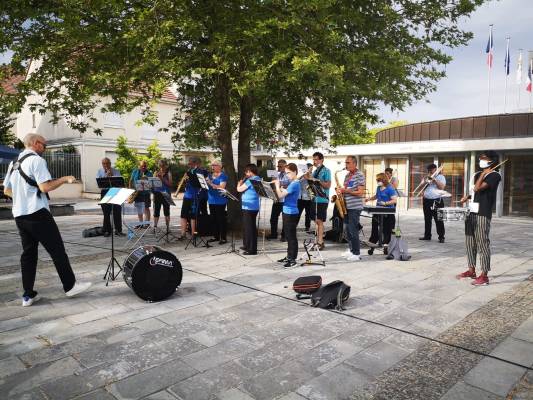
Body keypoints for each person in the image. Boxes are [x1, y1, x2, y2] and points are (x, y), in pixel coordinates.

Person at [3, 133, 91, 306]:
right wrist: (65, 179)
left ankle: (27, 295)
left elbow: (6, 190)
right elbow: (45, 187)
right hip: (37, 213)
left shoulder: (14, 163)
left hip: (20, 215)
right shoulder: (36, 161)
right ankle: (70, 286)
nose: (45, 148)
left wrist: (22, 199)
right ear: (36, 143)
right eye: (44, 145)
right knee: (57, 250)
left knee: (28, 254)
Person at [457, 151, 501, 286]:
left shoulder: (495, 175)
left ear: (491, 161)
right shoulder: (476, 174)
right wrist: (467, 197)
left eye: (484, 158)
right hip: (471, 211)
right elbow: (473, 192)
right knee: (470, 242)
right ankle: (471, 270)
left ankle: (484, 275)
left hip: (483, 212)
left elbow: (478, 188)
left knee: (482, 243)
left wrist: (483, 174)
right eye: (480, 158)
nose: (480, 160)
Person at [337, 156, 365, 261]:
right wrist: (340, 191)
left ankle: (357, 253)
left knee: (353, 230)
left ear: (354, 163)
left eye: (348, 163)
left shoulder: (359, 175)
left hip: (354, 207)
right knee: (347, 230)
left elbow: (360, 192)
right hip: (346, 206)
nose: (346, 164)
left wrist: (346, 191)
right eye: (345, 162)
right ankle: (351, 250)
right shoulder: (347, 175)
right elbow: (346, 189)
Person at [274, 163, 300, 268]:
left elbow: (280, 196)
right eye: (286, 173)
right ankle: (289, 256)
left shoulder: (295, 183)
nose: (287, 175)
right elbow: (284, 193)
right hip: (287, 211)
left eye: (289, 173)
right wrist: (280, 187)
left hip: (291, 212)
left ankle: (292, 259)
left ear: (295, 172)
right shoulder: (292, 183)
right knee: (288, 236)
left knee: (291, 236)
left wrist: (276, 185)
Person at [365, 173, 397, 254]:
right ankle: (373, 244)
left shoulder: (390, 189)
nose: (377, 182)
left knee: (386, 231)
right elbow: (377, 196)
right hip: (377, 210)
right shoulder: (378, 188)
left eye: (379, 180)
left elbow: (394, 200)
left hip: (387, 212)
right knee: (375, 228)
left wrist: (385, 203)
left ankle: (385, 247)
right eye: (377, 180)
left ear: (384, 180)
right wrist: (369, 199)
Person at [179, 156, 208, 239]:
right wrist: (184, 181)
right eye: (189, 164)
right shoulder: (188, 171)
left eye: (191, 164)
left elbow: (202, 185)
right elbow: (187, 184)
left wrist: (192, 176)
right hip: (187, 195)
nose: (189, 165)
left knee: (193, 216)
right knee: (183, 215)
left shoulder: (202, 171)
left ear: (196, 163)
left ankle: (193, 234)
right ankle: (183, 234)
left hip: (195, 196)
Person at [96, 158, 124, 237]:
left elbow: (119, 182)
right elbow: (99, 184)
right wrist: (106, 175)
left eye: (107, 163)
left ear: (110, 163)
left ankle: (118, 230)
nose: (106, 165)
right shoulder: (99, 171)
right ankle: (107, 230)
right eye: (104, 164)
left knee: (117, 211)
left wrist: (111, 175)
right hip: (105, 192)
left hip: (115, 192)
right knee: (106, 212)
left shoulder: (116, 171)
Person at [309, 152, 331, 250]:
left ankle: (321, 241)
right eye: (313, 159)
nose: (315, 161)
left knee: (319, 220)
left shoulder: (326, 170)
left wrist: (318, 181)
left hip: (322, 199)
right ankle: (317, 240)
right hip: (315, 198)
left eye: (316, 159)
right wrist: (309, 172)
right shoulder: (315, 171)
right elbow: (309, 181)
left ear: (322, 160)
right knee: (316, 221)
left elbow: (328, 185)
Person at [237, 163, 261, 255]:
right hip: (253, 206)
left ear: (250, 172)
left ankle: (252, 249)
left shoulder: (250, 180)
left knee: (250, 228)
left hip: (249, 207)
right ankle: (247, 245)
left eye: (247, 172)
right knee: (248, 227)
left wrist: (239, 184)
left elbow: (239, 190)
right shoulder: (258, 178)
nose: (245, 173)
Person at [419, 163, 446, 243]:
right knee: (427, 219)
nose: (430, 171)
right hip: (427, 200)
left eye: (431, 170)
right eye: (429, 170)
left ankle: (441, 237)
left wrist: (434, 180)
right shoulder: (426, 177)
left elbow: (442, 187)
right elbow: (420, 187)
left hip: (437, 200)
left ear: (435, 169)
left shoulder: (441, 177)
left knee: (438, 219)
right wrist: (425, 182)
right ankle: (427, 235)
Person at [267, 159, 289, 241]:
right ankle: (273, 234)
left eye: (280, 166)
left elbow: (287, 186)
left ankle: (284, 235)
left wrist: (278, 184)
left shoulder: (288, 175)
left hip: (284, 199)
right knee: (273, 218)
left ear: (285, 166)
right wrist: (273, 179)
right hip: (277, 199)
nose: (278, 168)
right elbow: (273, 185)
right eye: (278, 166)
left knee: (285, 219)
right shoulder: (277, 174)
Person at [207, 160, 228, 244]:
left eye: (214, 165)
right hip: (211, 200)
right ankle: (215, 236)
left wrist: (211, 184)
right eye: (212, 165)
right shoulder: (210, 175)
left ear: (219, 166)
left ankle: (223, 238)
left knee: (221, 219)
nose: (212, 167)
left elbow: (222, 187)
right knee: (213, 219)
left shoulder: (223, 176)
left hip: (220, 200)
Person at [129, 160, 153, 225]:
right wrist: (130, 190)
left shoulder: (149, 173)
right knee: (139, 208)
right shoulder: (135, 171)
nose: (143, 167)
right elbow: (131, 180)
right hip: (137, 193)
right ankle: (140, 223)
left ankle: (147, 223)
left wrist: (146, 180)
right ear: (139, 166)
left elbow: (151, 184)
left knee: (146, 208)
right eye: (142, 166)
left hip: (146, 193)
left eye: (145, 166)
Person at [152, 159, 173, 231]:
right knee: (156, 211)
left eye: (163, 166)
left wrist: (162, 179)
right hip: (157, 193)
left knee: (166, 211)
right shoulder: (156, 172)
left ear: (166, 166)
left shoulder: (168, 173)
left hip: (166, 193)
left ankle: (167, 228)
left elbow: (170, 184)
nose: (161, 167)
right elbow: (152, 184)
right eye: (160, 165)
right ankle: (155, 227)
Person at [297, 162, 313, 233]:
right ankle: (295, 225)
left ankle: (307, 226)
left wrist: (308, 176)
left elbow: (312, 182)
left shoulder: (312, 175)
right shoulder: (302, 176)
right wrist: (302, 176)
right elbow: (297, 181)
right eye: (310, 168)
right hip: (301, 198)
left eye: (311, 169)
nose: (311, 170)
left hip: (309, 197)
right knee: (298, 213)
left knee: (308, 213)